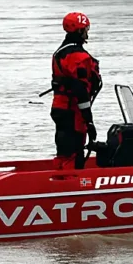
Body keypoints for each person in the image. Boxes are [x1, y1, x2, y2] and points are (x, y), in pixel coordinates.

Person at [50, 12, 102, 169]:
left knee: (64, 148)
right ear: (79, 30)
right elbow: (80, 90)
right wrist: (89, 120)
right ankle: (70, 177)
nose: (87, 32)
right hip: (72, 111)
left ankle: (60, 173)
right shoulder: (78, 57)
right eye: (86, 29)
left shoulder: (60, 52)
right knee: (74, 151)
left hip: (59, 107)